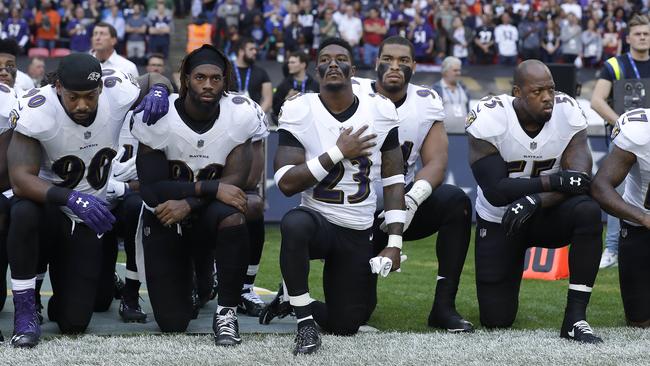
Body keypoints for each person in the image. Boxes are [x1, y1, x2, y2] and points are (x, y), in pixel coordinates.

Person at [5, 53, 171, 347]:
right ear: (57, 88)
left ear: (101, 90)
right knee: (23, 212)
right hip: (50, 209)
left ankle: (61, 299)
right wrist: (71, 198)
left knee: (75, 322)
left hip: (87, 218)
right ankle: (26, 311)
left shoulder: (117, 90)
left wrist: (160, 89)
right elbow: (20, 180)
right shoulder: (38, 109)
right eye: (73, 97)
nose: (82, 105)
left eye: (90, 96)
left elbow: (154, 78)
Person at [265, 37, 405, 355]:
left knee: (346, 324)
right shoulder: (300, 109)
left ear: (352, 69)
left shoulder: (381, 109)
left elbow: (395, 179)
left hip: (357, 230)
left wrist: (394, 242)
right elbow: (286, 183)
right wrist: (337, 152)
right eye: (325, 59)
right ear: (317, 70)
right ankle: (305, 323)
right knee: (294, 224)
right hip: (319, 222)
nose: (332, 63)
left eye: (340, 58)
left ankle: (293, 299)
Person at [131, 45, 261, 345]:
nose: (208, 85)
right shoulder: (160, 116)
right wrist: (210, 187)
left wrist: (189, 202)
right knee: (173, 323)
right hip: (164, 216)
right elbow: (151, 189)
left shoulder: (239, 114)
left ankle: (226, 313)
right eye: (200, 77)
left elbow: (236, 182)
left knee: (235, 215)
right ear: (186, 79)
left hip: (205, 216)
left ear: (225, 81)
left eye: (215, 79)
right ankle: (199, 275)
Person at [466, 59, 603, 343]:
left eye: (551, 90)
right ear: (517, 92)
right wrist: (552, 181)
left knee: (588, 211)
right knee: (496, 320)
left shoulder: (567, 111)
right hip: (501, 217)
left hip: (547, 211)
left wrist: (536, 200)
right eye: (537, 91)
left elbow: (579, 179)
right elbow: (496, 190)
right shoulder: (490, 116)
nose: (547, 98)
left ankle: (575, 317)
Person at [353, 36, 473, 332]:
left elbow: (436, 163)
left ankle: (444, 307)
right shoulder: (353, 92)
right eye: (388, 59)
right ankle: (293, 295)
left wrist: (411, 201)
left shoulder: (426, 100)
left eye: (403, 60)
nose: (395, 66)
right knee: (355, 313)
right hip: (356, 208)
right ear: (376, 62)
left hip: (402, 204)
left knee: (455, 202)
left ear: (414, 66)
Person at [591, 15, 650, 269]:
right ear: (628, 38)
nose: (643, 37)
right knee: (621, 192)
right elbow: (597, 100)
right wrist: (622, 125)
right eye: (638, 34)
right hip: (626, 140)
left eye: (646, 33)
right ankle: (612, 248)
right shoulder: (615, 64)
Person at [591, 107, 650, 328]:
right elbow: (600, 186)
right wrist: (643, 218)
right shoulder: (640, 132)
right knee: (639, 320)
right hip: (641, 226)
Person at [272, 51, 320, 117]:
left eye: (293, 62)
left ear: (303, 64)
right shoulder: (283, 85)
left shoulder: (315, 85)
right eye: (289, 62)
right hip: (290, 124)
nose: (289, 64)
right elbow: (275, 110)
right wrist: (286, 99)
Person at [234, 38, 272, 113]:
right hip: (230, 117)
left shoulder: (261, 72)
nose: (255, 52)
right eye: (251, 49)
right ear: (241, 51)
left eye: (255, 49)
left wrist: (258, 116)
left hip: (253, 118)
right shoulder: (226, 70)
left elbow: (268, 100)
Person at [432, 56, 469, 133]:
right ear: (445, 72)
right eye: (455, 70)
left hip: (464, 136)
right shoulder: (436, 90)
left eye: (459, 70)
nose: (458, 73)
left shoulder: (464, 88)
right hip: (443, 137)